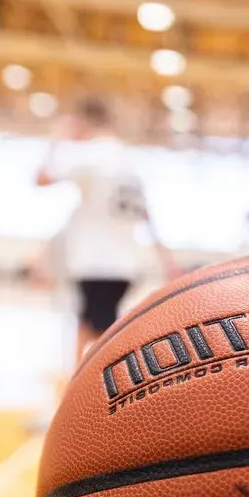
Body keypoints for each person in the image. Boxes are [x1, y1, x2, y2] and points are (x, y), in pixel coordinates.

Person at [33, 97, 175, 363]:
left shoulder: (92, 155)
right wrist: (167, 258)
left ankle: (91, 393)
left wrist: (57, 139)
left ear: (83, 122)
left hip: (97, 263)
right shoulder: (127, 160)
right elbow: (146, 215)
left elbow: (41, 178)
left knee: (99, 338)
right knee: (91, 329)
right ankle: (79, 389)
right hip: (124, 265)